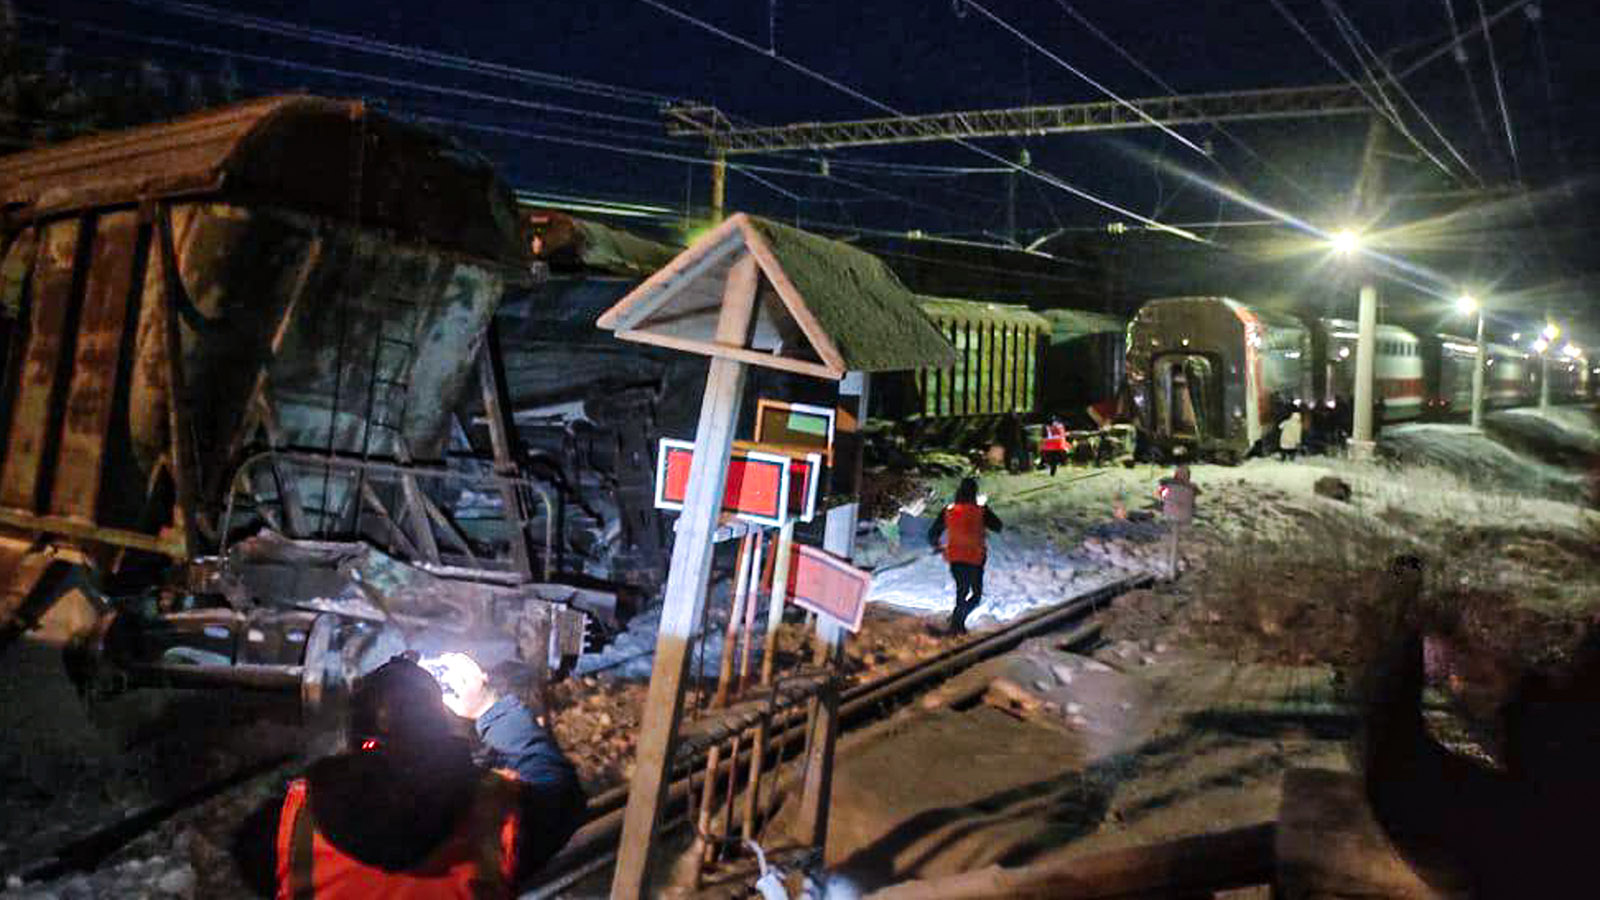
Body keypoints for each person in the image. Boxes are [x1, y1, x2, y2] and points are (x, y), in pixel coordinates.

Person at [232, 653, 585, 898]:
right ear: (439, 729)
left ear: (355, 736)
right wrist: (489, 707)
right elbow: (558, 787)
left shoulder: (284, 827)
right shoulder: (498, 817)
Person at [926, 477, 1003, 635]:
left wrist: (937, 546)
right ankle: (956, 624)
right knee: (975, 596)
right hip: (975, 558)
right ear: (974, 493)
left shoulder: (949, 510)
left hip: (955, 557)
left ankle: (957, 622)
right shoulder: (981, 510)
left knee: (962, 592)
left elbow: (932, 533)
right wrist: (983, 511)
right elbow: (998, 526)